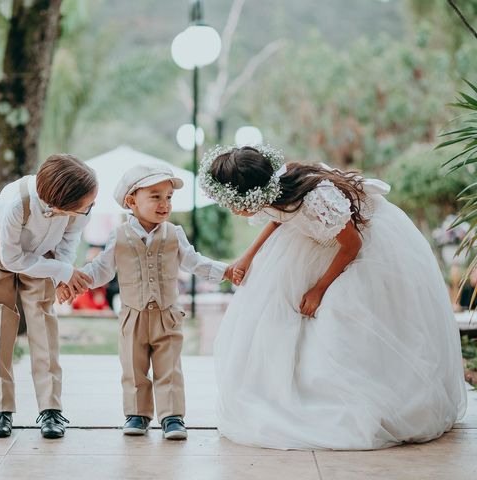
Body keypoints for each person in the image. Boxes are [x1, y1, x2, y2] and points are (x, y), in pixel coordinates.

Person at [200, 144, 467, 450]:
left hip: (357, 248)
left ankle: (350, 395)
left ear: (253, 193)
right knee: (274, 310)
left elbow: (352, 245)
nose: (233, 210)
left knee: (339, 317)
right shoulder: (276, 191)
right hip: (315, 240)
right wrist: (248, 255)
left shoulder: (317, 201)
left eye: (234, 203)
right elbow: (279, 216)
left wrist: (319, 289)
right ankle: (280, 390)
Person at [62, 164, 232, 440]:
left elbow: (194, 261)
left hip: (167, 313)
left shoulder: (174, 233)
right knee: (133, 366)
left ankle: (172, 417)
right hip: (133, 314)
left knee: (169, 367)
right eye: (155, 196)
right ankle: (137, 414)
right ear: (131, 201)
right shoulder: (118, 236)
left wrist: (225, 271)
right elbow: (101, 270)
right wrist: (74, 280)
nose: (165, 204)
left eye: (168, 197)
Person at [0, 153, 96, 439]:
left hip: (46, 252)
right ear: (59, 204)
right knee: (1, 324)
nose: (91, 208)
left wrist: (61, 275)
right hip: (3, 249)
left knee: (43, 322)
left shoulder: (81, 207)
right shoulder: (16, 204)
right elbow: (14, 259)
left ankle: (50, 409)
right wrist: (61, 270)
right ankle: (1, 410)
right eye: (86, 205)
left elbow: (69, 243)